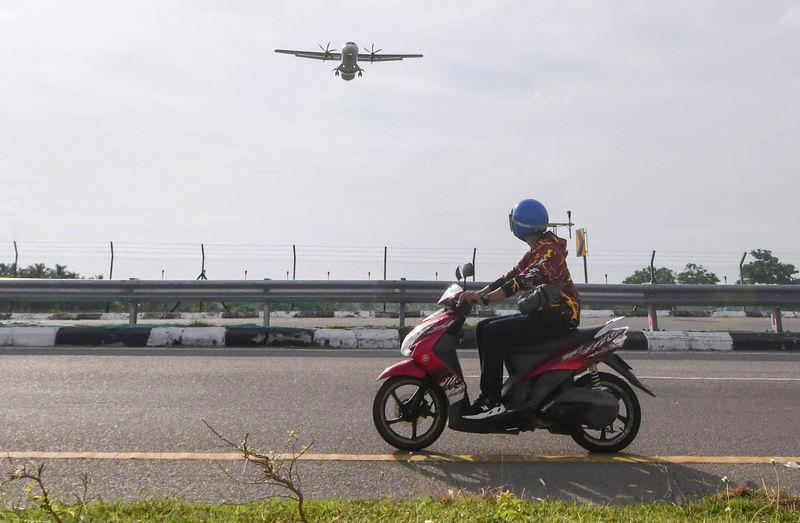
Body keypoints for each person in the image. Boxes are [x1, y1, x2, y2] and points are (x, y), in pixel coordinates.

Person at [458, 199, 581, 420]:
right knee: (483, 327)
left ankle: (492, 402)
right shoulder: (538, 248)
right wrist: (476, 293)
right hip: (545, 314)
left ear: (521, 224)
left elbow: (518, 283)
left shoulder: (549, 252)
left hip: (558, 317)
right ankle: (502, 391)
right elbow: (511, 275)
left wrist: (485, 299)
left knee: (494, 333)